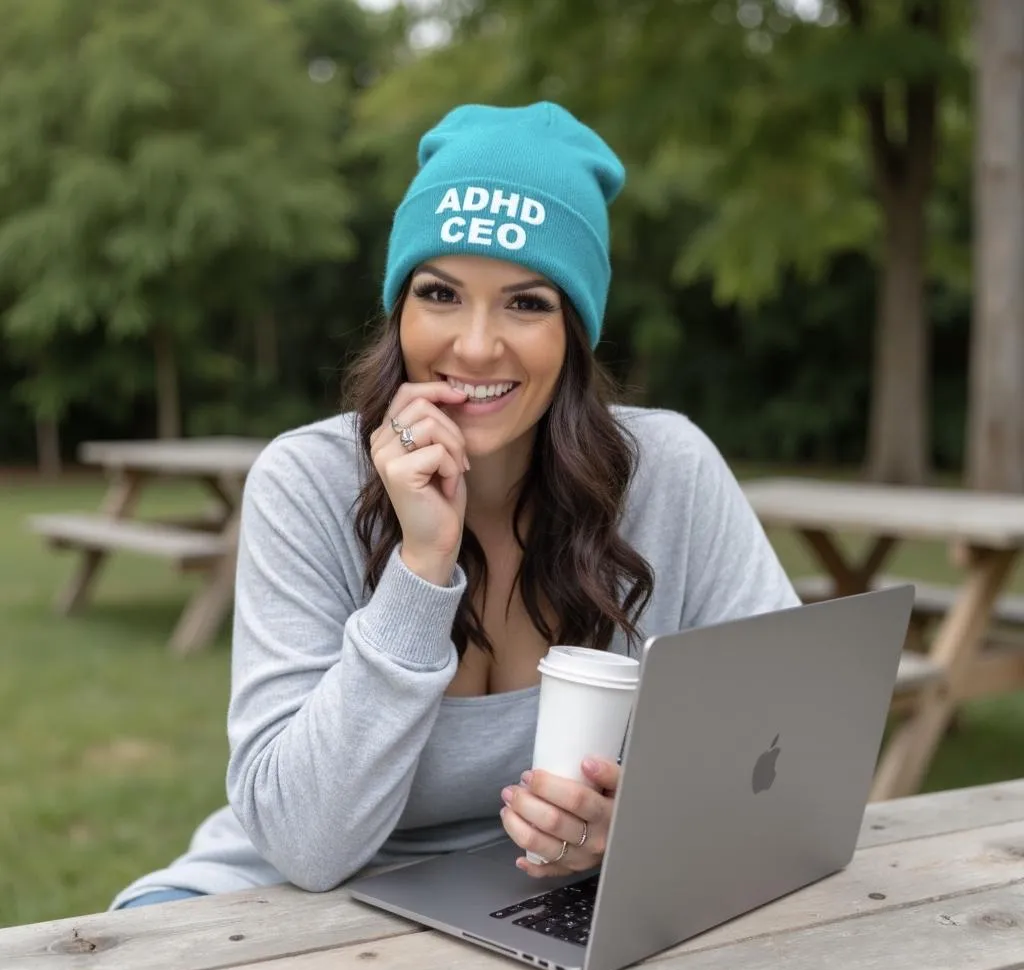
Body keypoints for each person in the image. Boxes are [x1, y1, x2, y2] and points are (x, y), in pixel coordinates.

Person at [111, 101, 799, 910]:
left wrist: (642, 821)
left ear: (576, 329)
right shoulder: (305, 482)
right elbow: (302, 844)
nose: (474, 345)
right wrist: (419, 567)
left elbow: (791, 749)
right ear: (399, 309)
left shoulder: (668, 473)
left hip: (553, 899)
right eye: (440, 293)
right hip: (293, 893)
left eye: (526, 302)